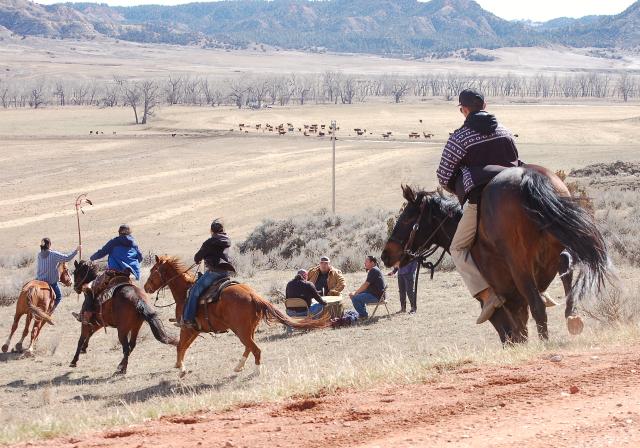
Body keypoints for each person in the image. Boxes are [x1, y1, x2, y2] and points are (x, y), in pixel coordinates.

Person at [436, 89, 520, 324]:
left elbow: (443, 175)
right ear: (485, 105)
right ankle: (535, 287)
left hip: (480, 198)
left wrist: (460, 191)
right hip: (516, 196)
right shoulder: (505, 130)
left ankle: (488, 294)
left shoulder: (459, 138)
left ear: (463, 109)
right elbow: (516, 160)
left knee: (458, 248)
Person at [72, 224, 143, 323]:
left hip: (114, 273)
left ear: (119, 233)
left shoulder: (114, 242)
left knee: (89, 287)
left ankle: (86, 316)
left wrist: (91, 258)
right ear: (129, 233)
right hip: (129, 275)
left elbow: (102, 252)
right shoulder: (134, 243)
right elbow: (140, 258)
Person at [178, 219, 235, 328]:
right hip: (225, 273)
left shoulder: (210, 242)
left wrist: (198, 259)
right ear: (222, 230)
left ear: (211, 230)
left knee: (194, 291)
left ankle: (188, 319)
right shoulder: (227, 240)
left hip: (214, 272)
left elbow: (197, 256)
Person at [35, 238, 80, 312]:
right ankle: (49, 312)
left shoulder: (39, 254)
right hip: (50, 282)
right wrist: (77, 250)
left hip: (39, 280)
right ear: (49, 245)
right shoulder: (53, 254)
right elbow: (67, 258)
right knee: (58, 297)